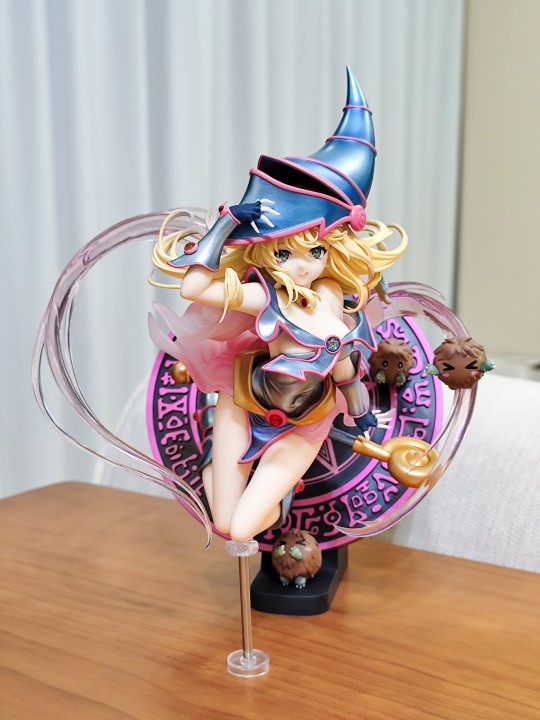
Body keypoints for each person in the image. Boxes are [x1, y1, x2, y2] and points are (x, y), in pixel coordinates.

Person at [149, 68, 407, 542]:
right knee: (222, 523)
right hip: (243, 402)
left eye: (315, 251)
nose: (302, 266)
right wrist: (225, 225)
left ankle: (279, 496)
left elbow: (345, 370)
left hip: (307, 421)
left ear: (334, 248)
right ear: (268, 253)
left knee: (240, 528)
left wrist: (364, 415)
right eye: (285, 253)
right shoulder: (265, 295)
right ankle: (214, 458)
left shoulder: (345, 299)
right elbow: (193, 289)